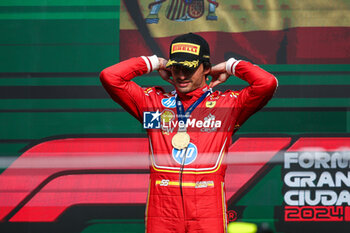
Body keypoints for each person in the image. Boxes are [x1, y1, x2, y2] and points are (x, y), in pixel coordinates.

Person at [100, 33, 277, 233]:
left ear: (206, 68)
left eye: (189, 68)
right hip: (163, 209)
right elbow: (110, 77)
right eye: (176, 68)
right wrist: (155, 62)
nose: (182, 75)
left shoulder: (227, 105)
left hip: (208, 208)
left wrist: (230, 66)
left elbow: (267, 83)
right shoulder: (154, 103)